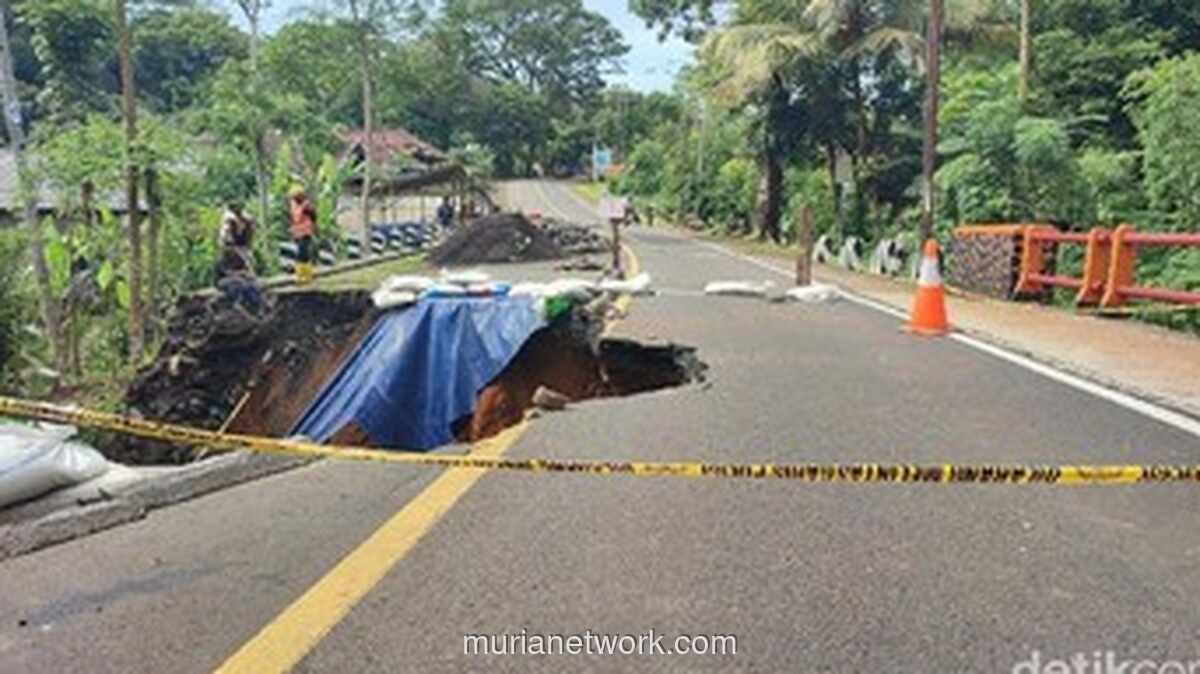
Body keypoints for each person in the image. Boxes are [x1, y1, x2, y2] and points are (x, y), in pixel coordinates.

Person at [218, 201, 256, 279]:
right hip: (233, 246)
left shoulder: (246, 219)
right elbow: (225, 235)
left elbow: (250, 232)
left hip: (240, 245)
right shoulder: (229, 218)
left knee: (246, 263)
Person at [288, 187, 318, 284]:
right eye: (294, 197)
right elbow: (293, 218)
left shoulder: (306, 206)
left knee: (302, 253)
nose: (295, 199)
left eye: (297, 196)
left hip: (305, 232)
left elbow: (313, 216)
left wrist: (313, 227)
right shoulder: (293, 205)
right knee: (300, 254)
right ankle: (301, 275)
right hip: (297, 232)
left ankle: (305, 275)